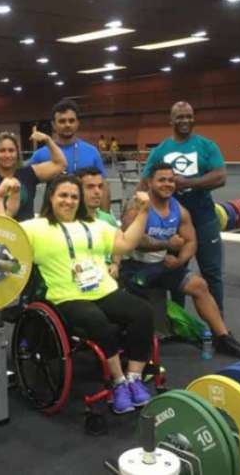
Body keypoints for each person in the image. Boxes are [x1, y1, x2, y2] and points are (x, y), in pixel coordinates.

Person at [21, 175, 155, 414]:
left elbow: (125, 245)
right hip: (66, 296)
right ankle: (118, 382)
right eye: (63, 195)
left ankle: (134, 378)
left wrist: (143, 212)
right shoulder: (35, 227)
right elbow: (3, 235)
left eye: (74, 196)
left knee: (142, 311)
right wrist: (2, 199)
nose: (69, 201)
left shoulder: (96, 225)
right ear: (50, 197)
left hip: (103, 290)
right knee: (95, 320)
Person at [121, 163, 240, 359]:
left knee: (199, 285)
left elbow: (191, 241)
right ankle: (138, 347)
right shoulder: (136, 206)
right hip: (135, 269)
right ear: (150, 182)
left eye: (171, 180)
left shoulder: (179, 210)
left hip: (163, 266)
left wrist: (180, 260)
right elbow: (132, 241)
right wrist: (167, 244)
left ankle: (223, 338)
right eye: (161, 180)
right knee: (142, 309)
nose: (167, 184)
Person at [140, 101, 228, 312]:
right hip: (173, 222)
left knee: (212, 273)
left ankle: (219, 330)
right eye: (180, 117)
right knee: (175, 272)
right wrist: (135, 213)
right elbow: (144, 184)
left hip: (205, 218)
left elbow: (220, 176)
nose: (185, 120)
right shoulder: (160, 150)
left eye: (189, 116)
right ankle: (178, 324)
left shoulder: (207, 146)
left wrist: (188, 182)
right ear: (171, 120)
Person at [29, 99, 110, 210]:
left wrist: (105, 217)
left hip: (85, 215)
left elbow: (103, 186)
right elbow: (24, 182)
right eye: (62, 121)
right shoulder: (40, 154)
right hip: (52, 216)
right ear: (53, 124)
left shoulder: (92, 152)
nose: (67, 125)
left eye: (71, 121)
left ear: (77, 123)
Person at [77, 166, 121, 279]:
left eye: (100, 186)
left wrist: (115, 264)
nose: (97, 192)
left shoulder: (108, 219)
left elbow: (117, 247)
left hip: (107, 278)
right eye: (90, 187)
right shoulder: (69, 221)